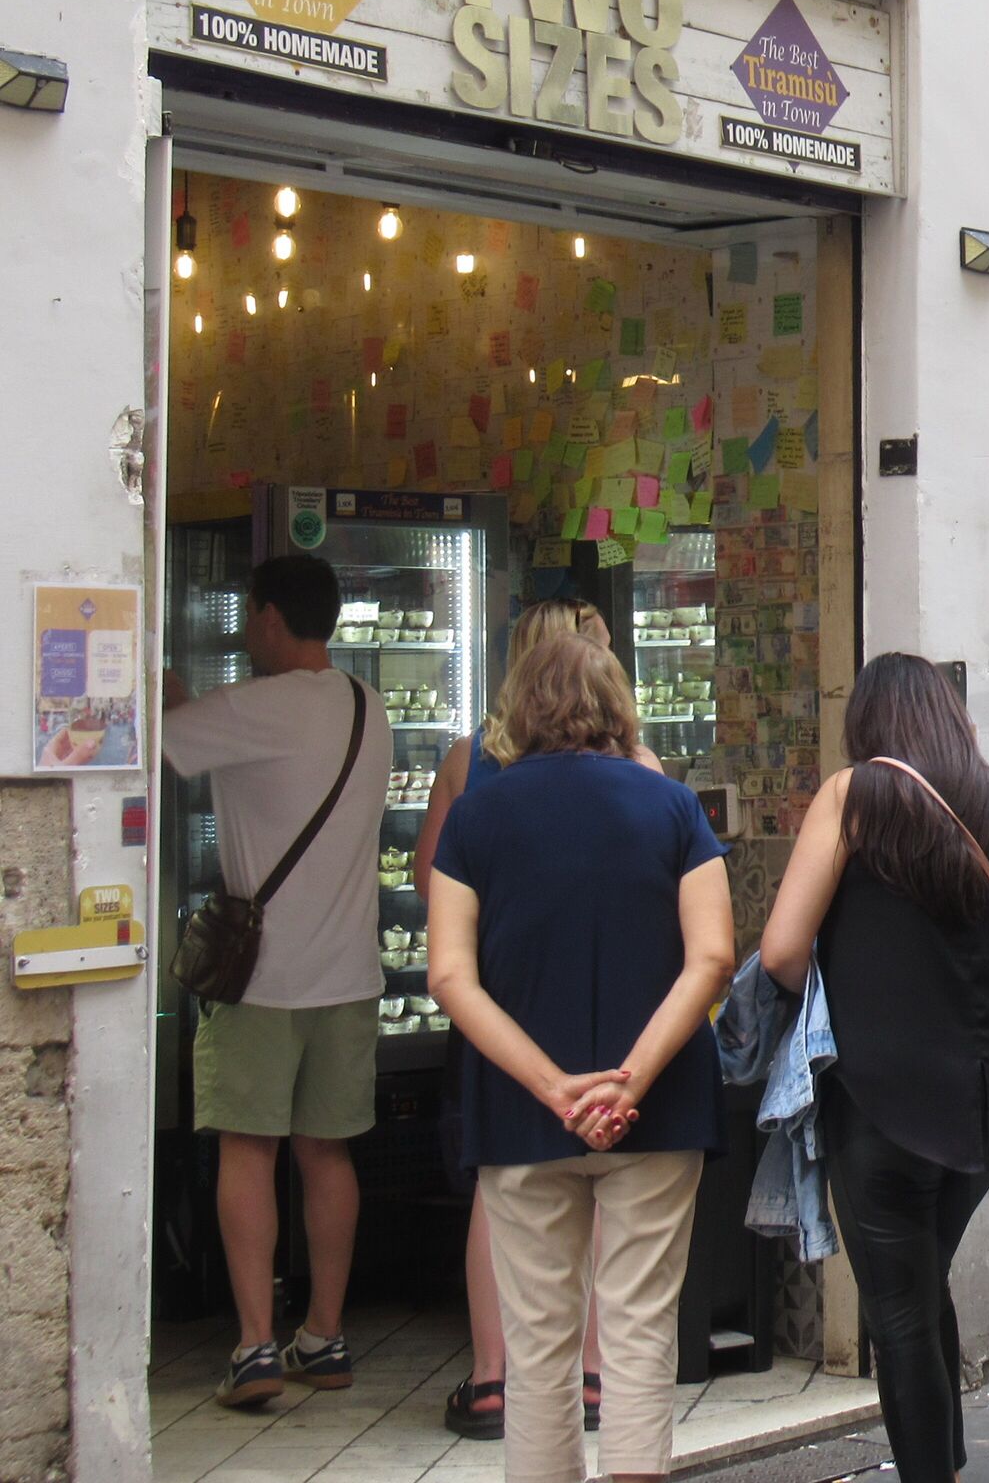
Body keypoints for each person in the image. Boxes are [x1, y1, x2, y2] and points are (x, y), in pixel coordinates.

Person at [759, 654, 989, 1483]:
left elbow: (781, 950)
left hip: (878, 1102)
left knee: (898, 1308)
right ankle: (945, 1458)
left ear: (868, 724)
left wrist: (838, 1005)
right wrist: (980, 990)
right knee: (920, 1281)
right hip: (985, 1108)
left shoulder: (854, 796)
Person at [427, 633, 734, 1483]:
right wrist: (630, 1077)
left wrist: (554, 1086)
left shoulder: (476, 816)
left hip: (522, 1113)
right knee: (637, 1331)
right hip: (658, 1106)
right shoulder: (671, 807)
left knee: (536, 1346)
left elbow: (450, 975)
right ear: (616, 709)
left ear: (520, 709)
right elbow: (711, 957)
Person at [415, 597, 663, 1441]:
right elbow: (686, 918)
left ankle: (495, 1378)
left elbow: (431, 894)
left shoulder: (468, 769)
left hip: (501, 1013)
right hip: (617, 1022)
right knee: (610, 1194)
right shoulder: (646, 772)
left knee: (505, 1185)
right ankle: (597, 1376)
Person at [161, 552, 395, 1408]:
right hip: (350, 976)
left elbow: (164, 735)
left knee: (246, 1151)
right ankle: (324, 1337)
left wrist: (161, 681)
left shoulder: (251, 708)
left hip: (257, 981)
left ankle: (255, 1348)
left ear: (267, 617)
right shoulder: (371, 709)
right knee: (328, 1155)